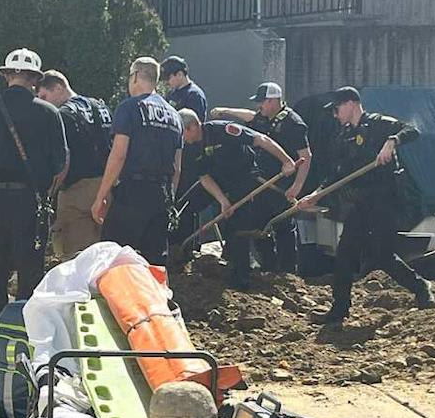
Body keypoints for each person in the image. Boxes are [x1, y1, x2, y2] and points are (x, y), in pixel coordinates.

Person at [299, 87, 433, 322]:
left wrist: (392, 142)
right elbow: (336, 175)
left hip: (385, 199)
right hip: (360, 202)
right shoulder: (342, 137)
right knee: (345, 253)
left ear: (351, 103)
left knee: (382, 255)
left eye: (336, 108)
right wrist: (316, 195)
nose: (335, 114)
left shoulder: (379, 124)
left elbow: (413, 130)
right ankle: (338, 311)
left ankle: (420, 287)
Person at [0, 48, 68, 324]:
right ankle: (25, 329)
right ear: (35, 79)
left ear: (6, 75)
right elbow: (60, 162)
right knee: (30, 269)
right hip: (30, 199)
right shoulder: (48, 113)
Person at [179, 109, 296, 287]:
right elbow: (203, 177)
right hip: (218, 180)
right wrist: (222, 200)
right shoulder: (190, 146)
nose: (183, 138)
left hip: (244, 178)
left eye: (184, 132)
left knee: (237, 226)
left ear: (194, 126)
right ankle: (180, 260)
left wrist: (287, 161)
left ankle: (241, 277)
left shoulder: (224, 130)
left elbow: (261, 139)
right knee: (184, 208)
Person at [210, 82, 312, 272]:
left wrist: (297, 186)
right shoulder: (265, 117)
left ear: (273, 101)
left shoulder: (294, 124)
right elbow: (250, 117)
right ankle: (269, 267)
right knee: (259, 226)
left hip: (282, 186)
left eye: (262, 102)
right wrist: (226, 111)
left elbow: (306, 156)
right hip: (262, 183)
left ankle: (287, 272)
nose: (259, 107)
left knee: (283, 226)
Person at [92, 57, 183, 266]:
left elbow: (119, 155)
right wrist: (169, 199)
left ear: (134, 76)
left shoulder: (129, 108)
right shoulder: (174, 116)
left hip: (133, 192)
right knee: (155, 262)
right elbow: (177, 167)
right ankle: (155, 298)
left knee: (113, 257)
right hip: (162, 194)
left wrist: (101, 195)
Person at [36, 70, 112, 258]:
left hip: (76, 191)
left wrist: (50, 192)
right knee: (104, 254)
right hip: (107, 187)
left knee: (76, 255)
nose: (43, 103)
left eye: (44, 96)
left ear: (59, 88)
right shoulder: (101, 107)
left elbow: (63, 158)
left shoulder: (62, 115)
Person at [161, 55, 207, 120]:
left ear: (180, 74)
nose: (166, 82)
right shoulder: (171, 94)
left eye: (168, 78)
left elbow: (195, 124)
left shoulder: (194, 95)